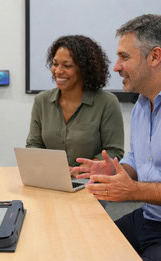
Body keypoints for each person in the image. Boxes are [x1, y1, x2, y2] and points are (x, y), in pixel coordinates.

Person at [73, 14, 161, 261]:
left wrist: (133, 190)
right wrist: (117, 171)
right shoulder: (143, 104)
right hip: (150, 219)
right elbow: (138, 162)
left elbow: (140, 185)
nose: (116, 67)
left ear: (155, 56)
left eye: (124, 57)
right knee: (82, 251)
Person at [26, 35, 124, 175]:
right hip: (50, 179)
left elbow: (114, 151)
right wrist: (53, 168)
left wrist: (83, 168)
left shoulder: (107, 102)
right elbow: (33, 145)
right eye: (55, 64)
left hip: (90, 183)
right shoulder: (42, 101)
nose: (58, 71)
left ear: (84, 69)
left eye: (67, 66)